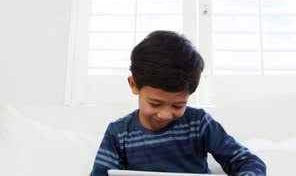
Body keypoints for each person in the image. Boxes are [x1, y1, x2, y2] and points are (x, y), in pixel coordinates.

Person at [89, 30, 266, 176]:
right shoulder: (118, 133)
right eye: (155, 104)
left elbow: (249, 162)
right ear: (134, 85)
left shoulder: (199, 124)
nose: (165, 115)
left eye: (177, 105)